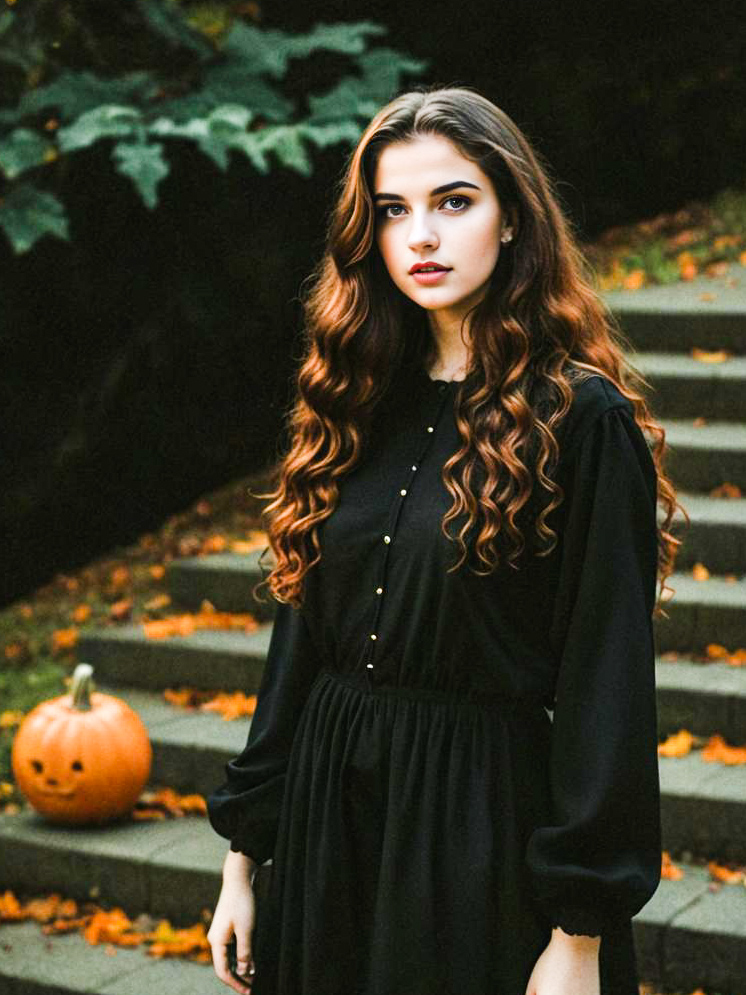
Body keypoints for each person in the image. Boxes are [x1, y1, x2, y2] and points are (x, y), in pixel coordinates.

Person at [205, 84, 686, 995]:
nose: (420, 236)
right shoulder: (356, 400)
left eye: (453, 202)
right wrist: (244, 860)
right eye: (393, 211)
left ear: (512, 220)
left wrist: (578, 933)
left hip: (473, 828)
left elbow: (605, 682)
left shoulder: (581, 421)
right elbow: (298, 644)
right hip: (328, 819)